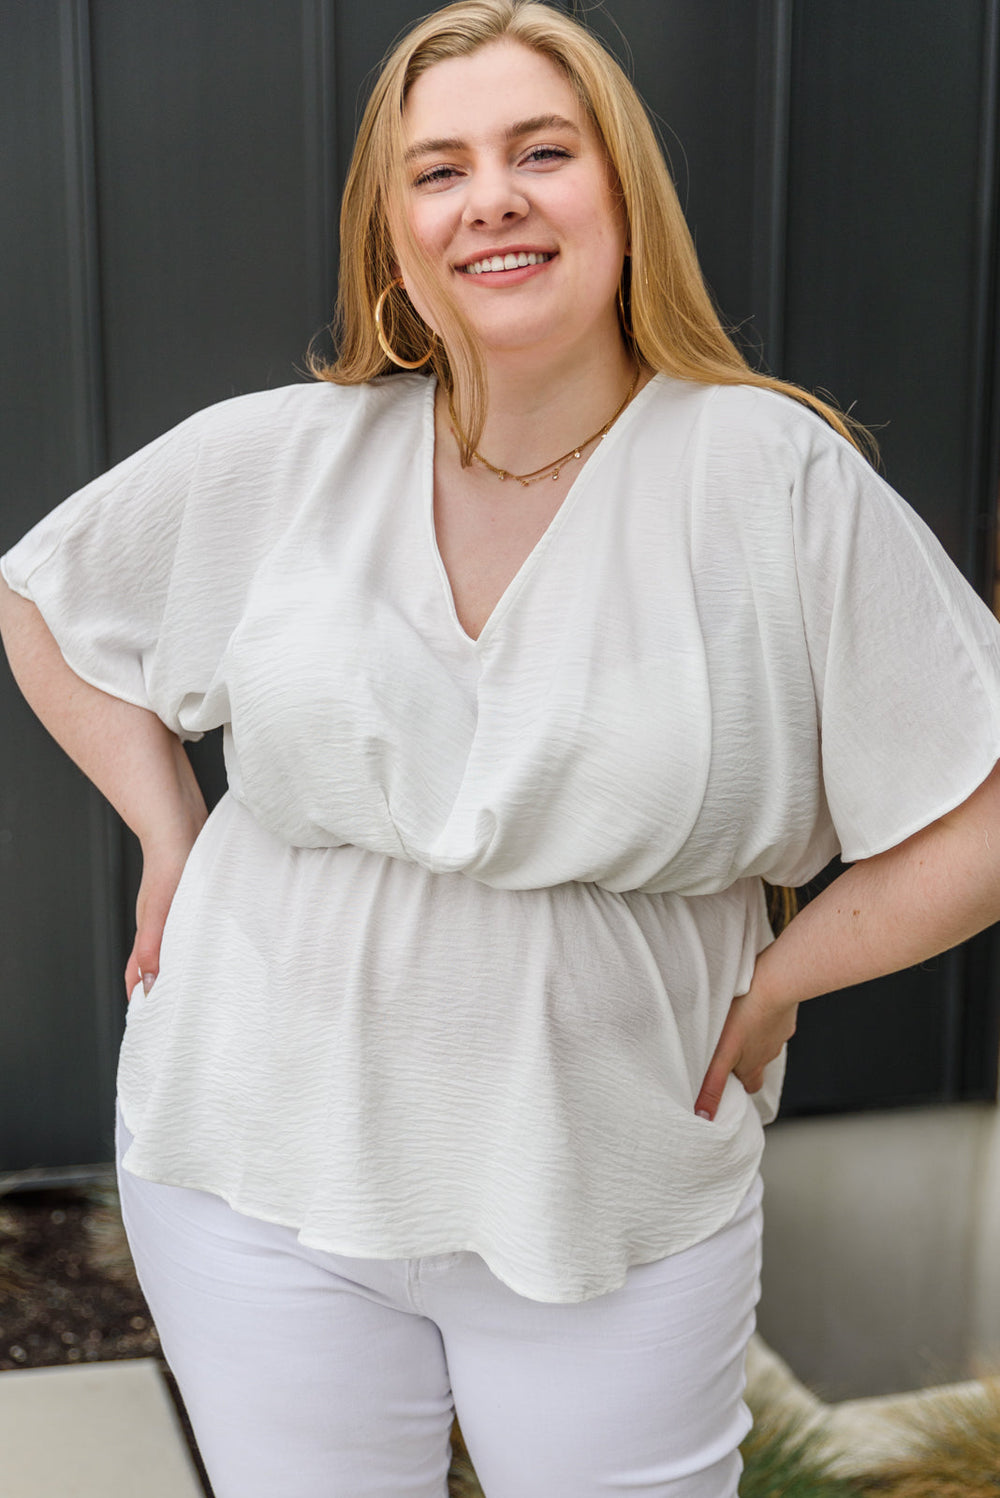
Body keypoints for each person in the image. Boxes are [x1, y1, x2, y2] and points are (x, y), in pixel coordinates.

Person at [2, 2, 1000, 1494]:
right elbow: (46, 598)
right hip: (248, 1157)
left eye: (543, 152)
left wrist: (784, 980)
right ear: (396, 241)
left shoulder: (766, 475)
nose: (493, 200)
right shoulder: (292, 454)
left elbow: (982, 807)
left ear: (624, 197)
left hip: (610, 1191)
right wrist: (170, 832)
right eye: (440, 170)